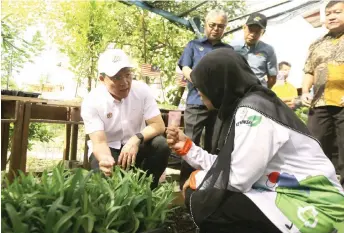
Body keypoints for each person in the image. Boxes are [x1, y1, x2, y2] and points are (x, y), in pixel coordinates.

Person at [166, 48, 344, 233]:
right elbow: (229, 167)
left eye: (201, 85)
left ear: (218, 84)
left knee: (206, 202)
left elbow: (238, 178)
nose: (199, 92)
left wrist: (198, 178)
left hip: (316, 207)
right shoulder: (248, 105)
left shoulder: (253, 112)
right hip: (285, 193)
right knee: (209, 192)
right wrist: (187, 149)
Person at [81, 49, 170, 189]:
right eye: (116, 77)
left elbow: (158, 125)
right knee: (103, 182)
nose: (125, 82)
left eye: (128, 75)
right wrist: (105, 160)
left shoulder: (142, 90)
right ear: (102, 79)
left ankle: (147, 191)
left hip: (138, 145)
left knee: (161, 145)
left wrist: (136, 139)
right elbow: (99, 142)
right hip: (109, 148)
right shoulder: (92, 101)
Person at [178, 9, 233, 189]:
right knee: (189, 143)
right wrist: (201, 84)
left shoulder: (228, 50)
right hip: (195, 102)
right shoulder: (193, 45)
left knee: (213, 145)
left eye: (221, 26)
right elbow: (185, 68)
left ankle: (206, 186)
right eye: (212, 25)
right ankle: (184, 186)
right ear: (205, 25)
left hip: (218, 107)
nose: (216, 29)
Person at [302, 0, 344, 187]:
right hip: (319, 103)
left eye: (337, 12)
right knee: (314, 146)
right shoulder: (316, 44)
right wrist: (304, 92)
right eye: (328, 14)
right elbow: (309, 71)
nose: (332, 16)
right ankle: (319, 188)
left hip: (343, 104)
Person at [232, 12, 278, 89]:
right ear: (244, 28)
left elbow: (272, 78)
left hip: (257, 93)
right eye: (250, 30)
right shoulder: (232, 47)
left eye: (257, 32)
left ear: (263, 32)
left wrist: (262, 91)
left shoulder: (269, 50)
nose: (253, 34)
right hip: (235, 91)